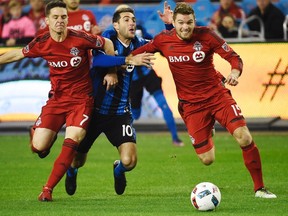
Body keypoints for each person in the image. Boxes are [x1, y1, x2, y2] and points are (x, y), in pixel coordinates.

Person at [0, 0, 152, 202]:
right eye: (55, 17)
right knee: (40, 147)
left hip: (83, 102)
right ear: (47, 21)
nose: (60, 21)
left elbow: (106, 44)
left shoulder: (81, 38)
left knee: (79, 140)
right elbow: (17, 54)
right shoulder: (42, 41)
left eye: (63, 17)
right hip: (58, 101)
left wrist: (112, 70)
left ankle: (48, 189)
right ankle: (55, 152)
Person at [131, 2, 277, 199]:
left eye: (189, 22)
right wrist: (128, 60)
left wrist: (235, 71)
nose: (185, 27)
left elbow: (234, 57)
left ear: (194, 21)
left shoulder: (206, 35)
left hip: (217, 96)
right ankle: (209, 128)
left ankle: (260, 188)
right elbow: (136, 53)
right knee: (207, 159)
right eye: (181, 22)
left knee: (244, 136)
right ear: (173, 22)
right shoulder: (162, 40)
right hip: (191, 106)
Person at [64, 6, 155, 196]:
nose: (132, 22)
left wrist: (171, 24)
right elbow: (97, 62)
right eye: (126, 19)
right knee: (77, 160)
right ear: (116, 25)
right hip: (94, 111)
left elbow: (163, 44)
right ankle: (72, 172)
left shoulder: (138, 43)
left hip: (119, 113)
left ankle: (118, 170)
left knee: (130, 161)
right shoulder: (107, 39)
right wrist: (128, 61)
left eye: (133, 19)